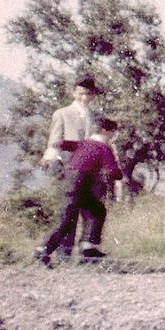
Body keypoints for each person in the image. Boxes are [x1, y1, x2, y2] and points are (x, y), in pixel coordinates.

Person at [36, 117, 123, 264]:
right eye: (112, 133)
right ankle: (43, 250)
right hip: (79, 183)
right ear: (104, 131)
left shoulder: (84, 143)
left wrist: (55, 154)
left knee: (96, 210)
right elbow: (114, 172)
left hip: (73, 182)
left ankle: (88, 247)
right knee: (66, 220)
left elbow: (60, 143)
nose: (113, 137)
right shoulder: (104, 148)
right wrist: (117, 173)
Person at [42, 77, 103, 259]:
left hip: (91, 171)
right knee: (69, 210)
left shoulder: (96, 117)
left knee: (91, 211)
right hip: (70, 169)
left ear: (93, 95)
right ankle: (63, 253)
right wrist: (52, 162)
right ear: (74, 93)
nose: (85, 97)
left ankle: (87, 252)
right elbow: (54, 142)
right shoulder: (63, 114)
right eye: (81, 93)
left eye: (89, 94)